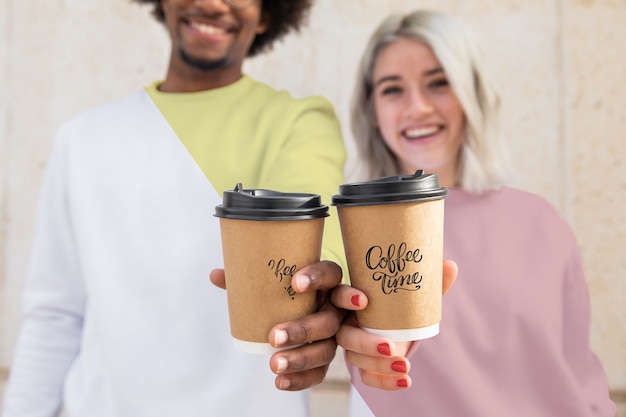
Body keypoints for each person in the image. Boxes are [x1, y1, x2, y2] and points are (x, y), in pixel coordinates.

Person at [2, 1, 350, 416]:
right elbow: (54, 317)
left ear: (266, 14)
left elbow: (314, 242)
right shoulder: (81, 140)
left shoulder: (298, 122)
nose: (211, 3)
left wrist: (322, 285)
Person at [333, 9, 616, 416]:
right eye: (393, 89)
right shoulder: (345, 232)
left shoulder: (541, 225)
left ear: (472, 94)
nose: (418, 107)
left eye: (439, 83)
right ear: (372, 110)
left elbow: (578, 378)